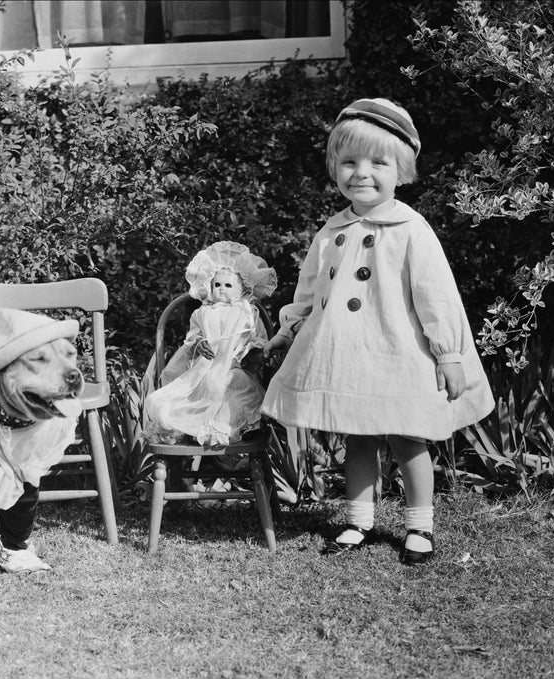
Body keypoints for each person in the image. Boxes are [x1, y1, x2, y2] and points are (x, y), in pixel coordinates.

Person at [261, 98, 494, 565]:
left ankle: (419, 526)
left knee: (408, 438)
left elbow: (435, 293)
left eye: (377, 163)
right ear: (335, 168)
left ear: (400, 170)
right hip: (347, 354)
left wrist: (448, 353)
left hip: (399, 352)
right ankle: (358, 520)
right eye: (349, 162)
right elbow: (311, 287)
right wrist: (290, 328)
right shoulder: (332, 230)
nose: (361, 173)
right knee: (359, 437)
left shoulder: (410, 228)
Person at [144, 240, 277, 447]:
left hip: (232, 369)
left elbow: (258, 339)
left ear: (243, 288)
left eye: (228, 285)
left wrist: (252, 351)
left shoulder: (248, 312)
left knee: (226, 388)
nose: (221, 289)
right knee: (165, 400)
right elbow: (192, 336)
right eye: (217, 285)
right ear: (209, 286)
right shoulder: (203, 312)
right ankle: (189, 426)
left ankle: (219, 427)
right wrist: (198, 343)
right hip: (203, 371)